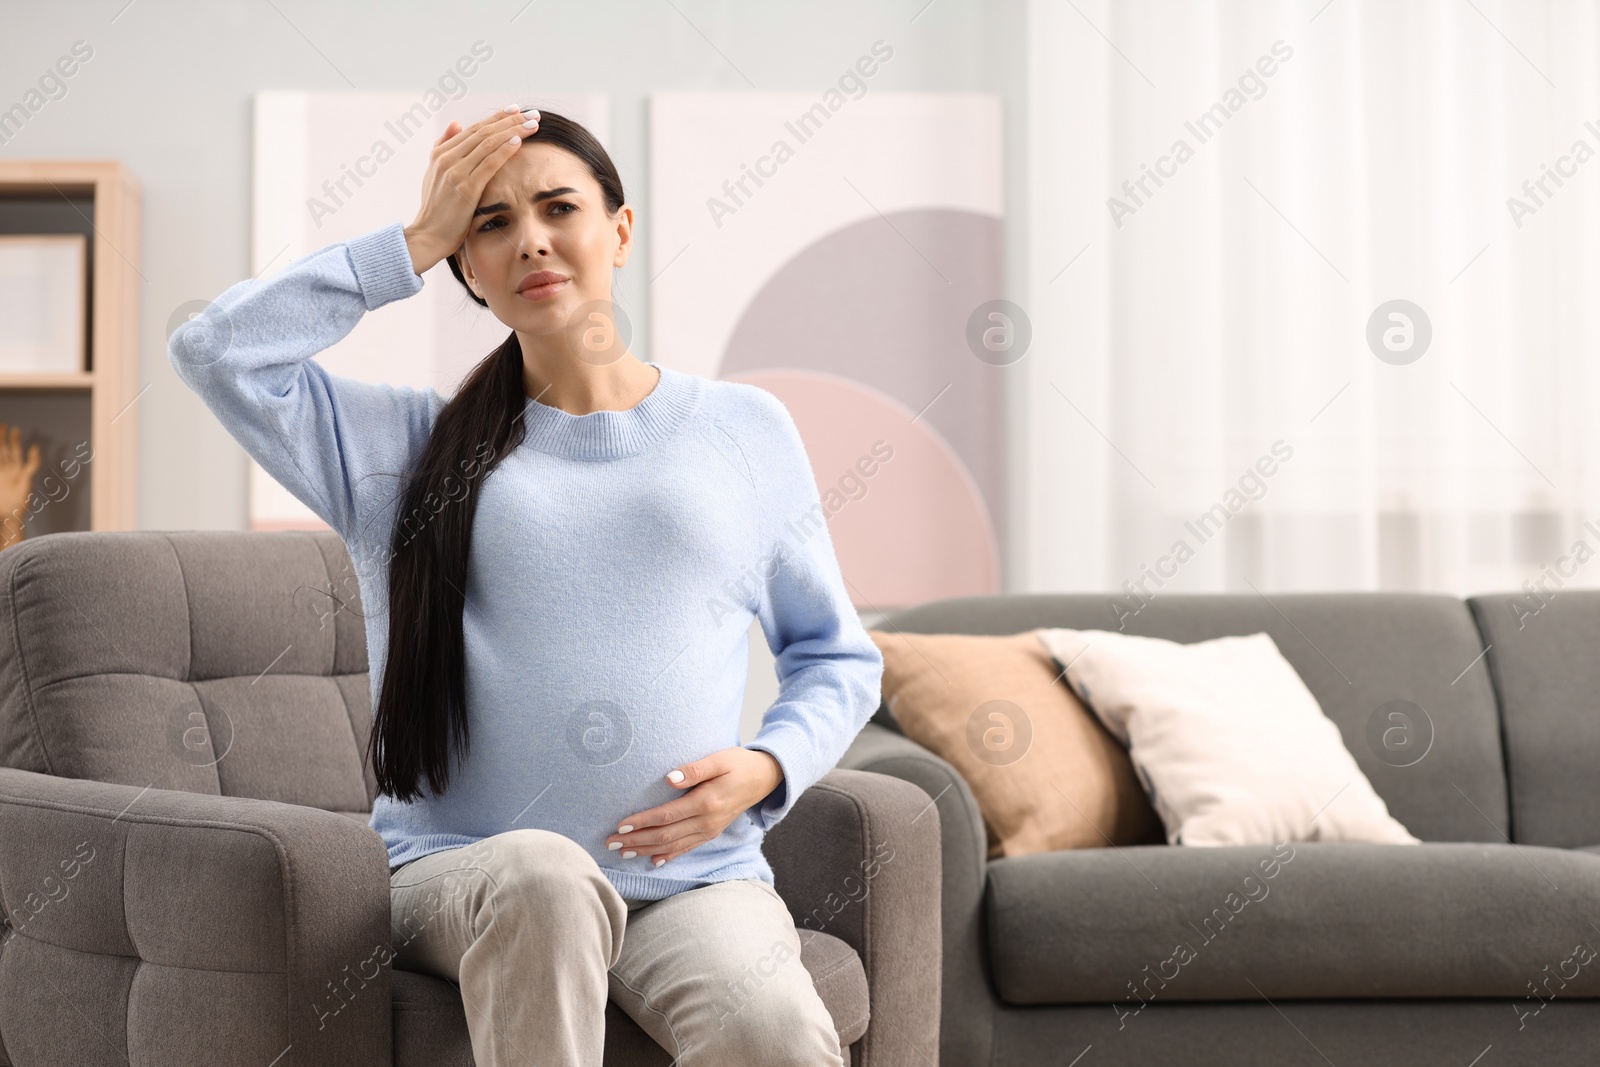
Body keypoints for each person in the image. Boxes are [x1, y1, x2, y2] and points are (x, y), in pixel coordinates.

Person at [167, 105, 883, 1066]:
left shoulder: (745, 431)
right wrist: (413, 240)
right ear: (467, 268)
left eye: (558, 207)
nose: (531, 239)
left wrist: (769, 768)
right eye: (491, 223)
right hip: (457, 873)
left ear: (620, 229)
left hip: (693, 879)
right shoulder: (402, 451)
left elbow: (835, 652)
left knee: (775, 1028)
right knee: (545, 875)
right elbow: (215, 351)